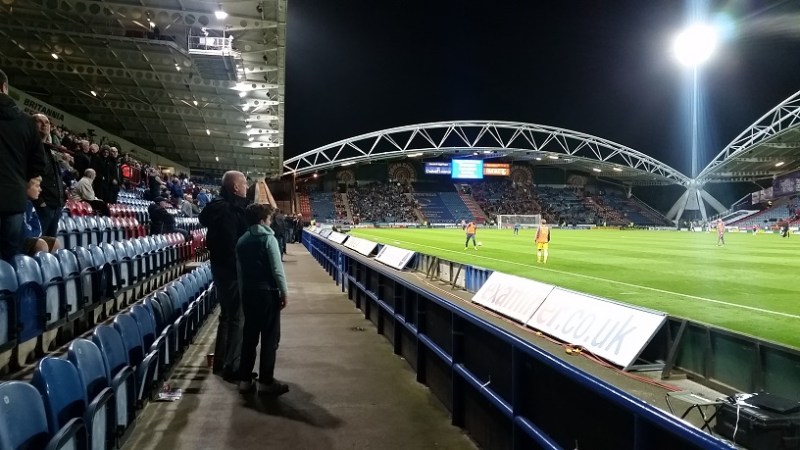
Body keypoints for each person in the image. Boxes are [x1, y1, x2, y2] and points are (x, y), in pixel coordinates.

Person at [199, 170, 249, 381]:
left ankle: (221, 362)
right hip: (231, 270)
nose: (247, 187)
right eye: (244, 183)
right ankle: (233, 366)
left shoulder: (218, 207)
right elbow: (232, 245)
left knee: (228, 316)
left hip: (221, 268)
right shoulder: (229, 210)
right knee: (237, 317)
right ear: (235, 187)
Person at [235, 203, 289, 396]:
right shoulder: (269, 239)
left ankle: (244, 380)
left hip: (249, 293)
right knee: (269, 338)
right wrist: (284, 292)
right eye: (269, 219)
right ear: (262, 221)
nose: (271, 222)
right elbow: (277, 269)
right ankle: (266, 382)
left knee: (249, 337)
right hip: (267, 293)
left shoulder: (242, 240)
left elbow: (240, 272)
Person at [0, 69, 46, 262]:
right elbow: (39, 163)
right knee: (11, 258)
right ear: (4, 87)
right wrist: (20, 180)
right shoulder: (26, 122)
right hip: (13, 199)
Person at [31, 114, 66, 237]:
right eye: (39, 122)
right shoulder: (30, 147)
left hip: (56, 205)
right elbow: (29, 175)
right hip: (42, 206)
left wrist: (62, 199)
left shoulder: (49, 149)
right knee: (36, 247)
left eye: (47, 122)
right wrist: (41, 202)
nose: (44, 124)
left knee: (49, 248)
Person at [22, 178, 60, 256]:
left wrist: (34, 237)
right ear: (26, 187)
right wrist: (34, 238)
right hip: (17, 240)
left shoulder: (30, 204)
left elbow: (38, 228)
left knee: (54, 243)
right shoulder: (16, 204)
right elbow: (20, 231)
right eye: (37, 186)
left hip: (30, 236)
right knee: (41, 245)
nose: (40, 189)